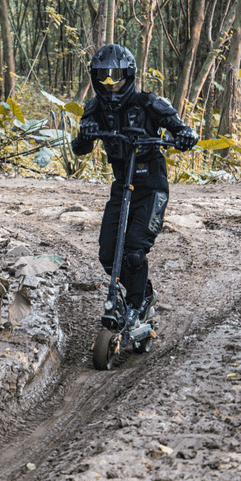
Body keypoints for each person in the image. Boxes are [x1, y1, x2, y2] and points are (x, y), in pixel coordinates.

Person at [71, 44, 198, 330]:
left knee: (134, 252)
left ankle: (139, 302)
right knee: (108, 254)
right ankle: (142, 292)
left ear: (129, 76)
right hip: (122, 187)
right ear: (95, 78)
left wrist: (186, 135)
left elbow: (181, 128)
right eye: (103, 78)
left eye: (116, 78)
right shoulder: (94, 109)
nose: (110, 85)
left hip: (151, 187)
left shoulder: (148, 104)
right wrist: (85, 134)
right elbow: (79, 148)